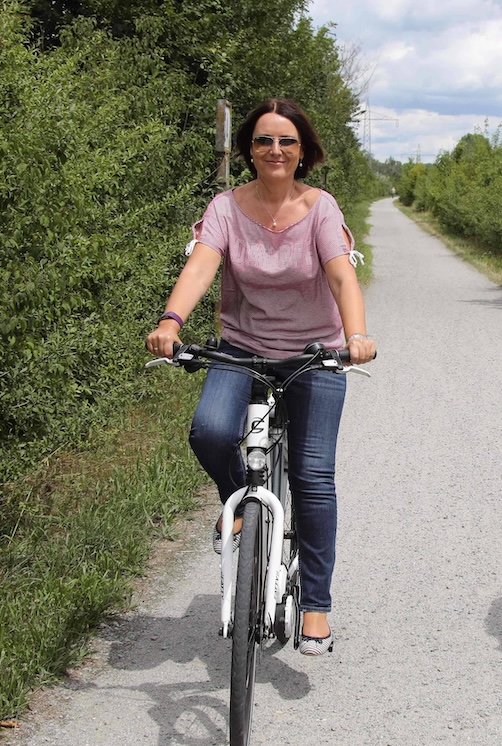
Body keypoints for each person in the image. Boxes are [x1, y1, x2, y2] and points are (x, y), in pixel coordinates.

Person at [146, 98, 376, 656]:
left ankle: (315, 604)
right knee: (210, 432)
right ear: (249, 149)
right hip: (241, 349)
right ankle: (239, 509)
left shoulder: (320, 210)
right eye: (264, 141)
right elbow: (201, 264)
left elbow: (343, 280)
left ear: (304, 151)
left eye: (287, 141)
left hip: (312, 355)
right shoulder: (226, 208)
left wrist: (356, 336)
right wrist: (171, 320)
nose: (276, 150)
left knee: (313, 477)